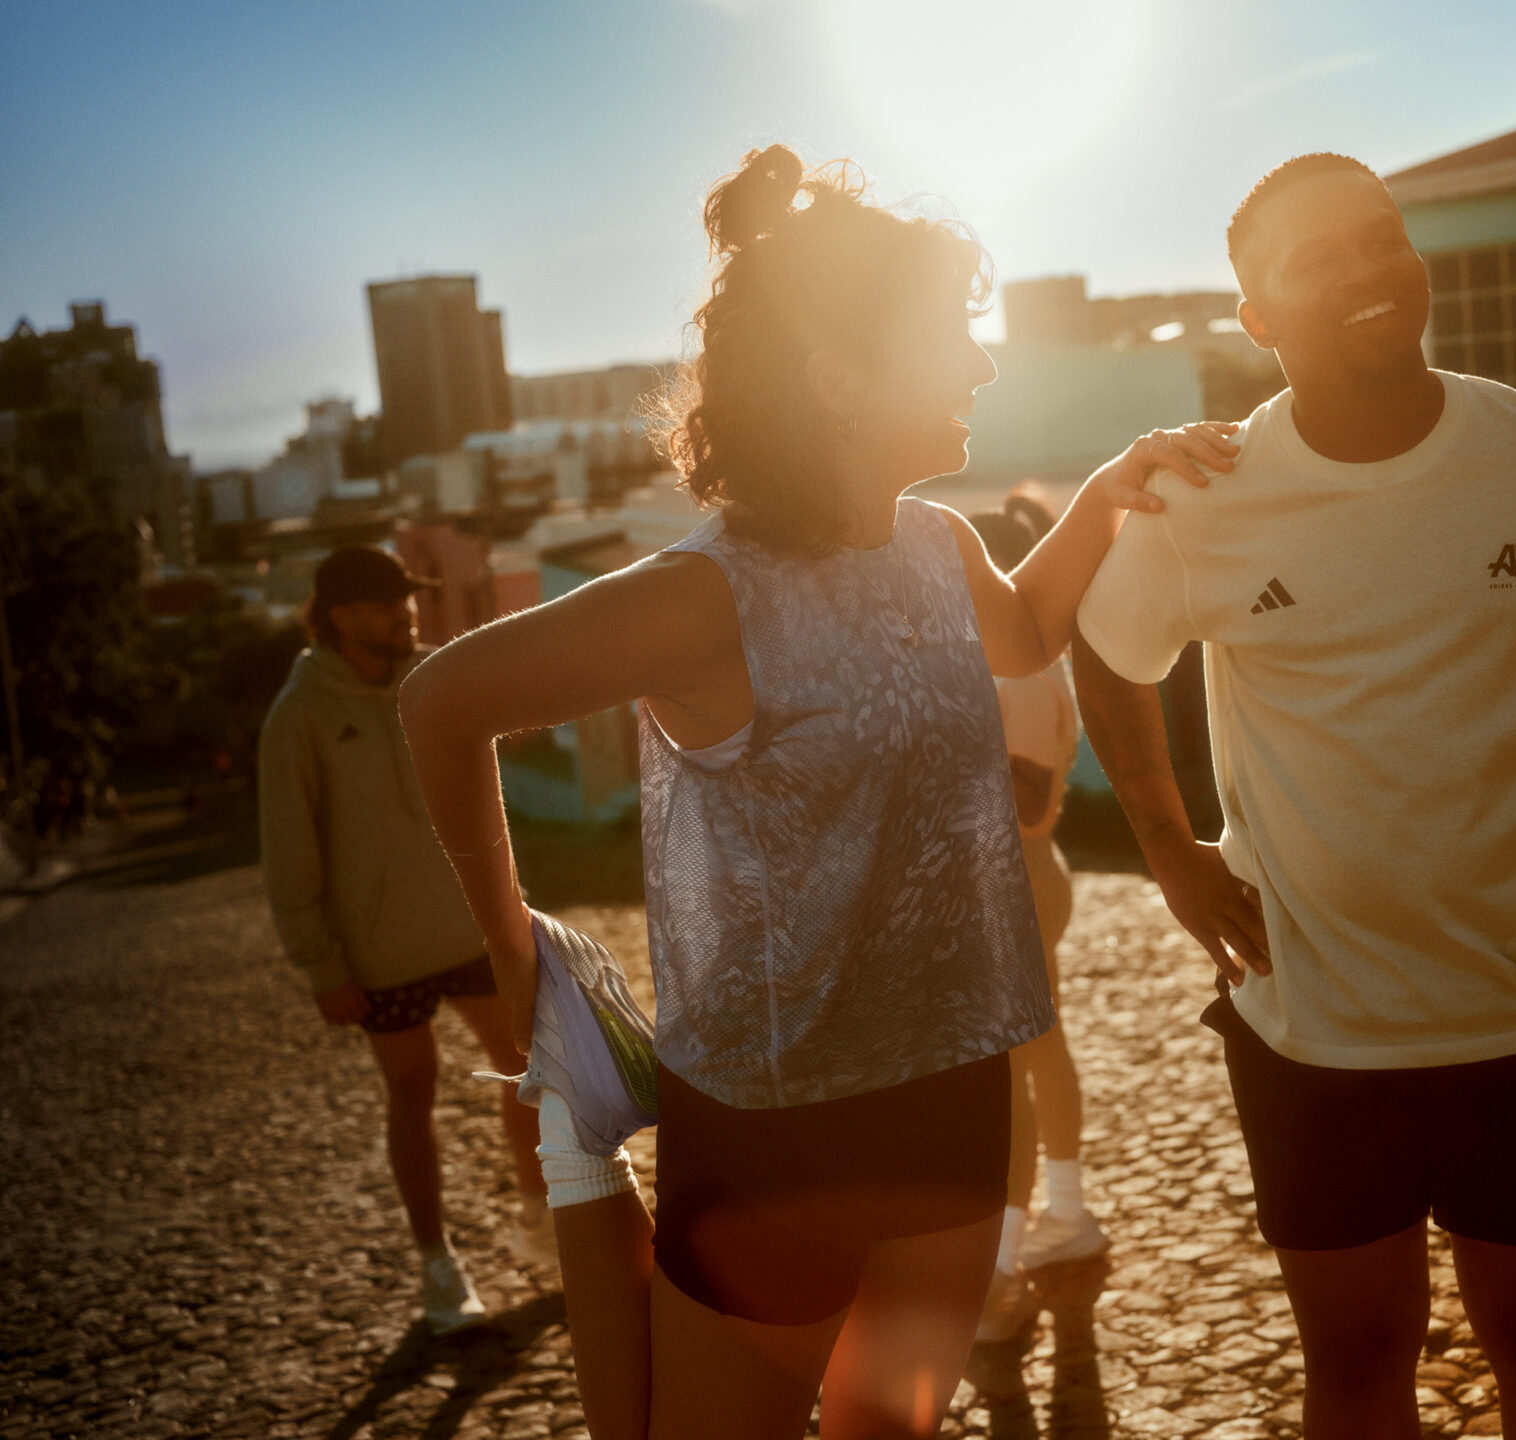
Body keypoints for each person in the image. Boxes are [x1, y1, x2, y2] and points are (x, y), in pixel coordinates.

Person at [397, 145, 1237, 1440]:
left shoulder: (937, 540)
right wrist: (511, 958)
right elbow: (440, 704)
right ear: (837, 379)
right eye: (948, 334)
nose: (982, 362)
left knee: (887, 1430)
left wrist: (1114, 489)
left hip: (957, 1088)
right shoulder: (704, 594)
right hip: (778, 1132)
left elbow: (1022, 634)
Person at [1070, 152, 1516, 1440]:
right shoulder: (1210, 494)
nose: (1368, 272)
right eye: (1316, 260)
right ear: (1258, 318)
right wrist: (1169, 844)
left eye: (1381, 239)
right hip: (1313, 1025)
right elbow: (1109, 660)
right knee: (1358, 1355)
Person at [257, 544, 554, 1338]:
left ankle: (540, 1221)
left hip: (463, 923)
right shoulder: (298, 717)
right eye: (390, 604)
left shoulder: (432, 676)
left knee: (527, 1064)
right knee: (412, 1092)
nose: (408, 613)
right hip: (378, 950)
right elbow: (290, 848)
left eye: (410, 600)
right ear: (342, 615)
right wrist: (321, 963)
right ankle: (437, 1267)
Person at [965, 492, 1110, 1347]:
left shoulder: (1015, 671)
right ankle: (1064, 1213)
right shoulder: (1024, 665)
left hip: (1010, 877)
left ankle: (1006, 1260)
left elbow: (1019, 799)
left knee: (1010, 1068)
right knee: (1038, 1051)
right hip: (1024, 877)